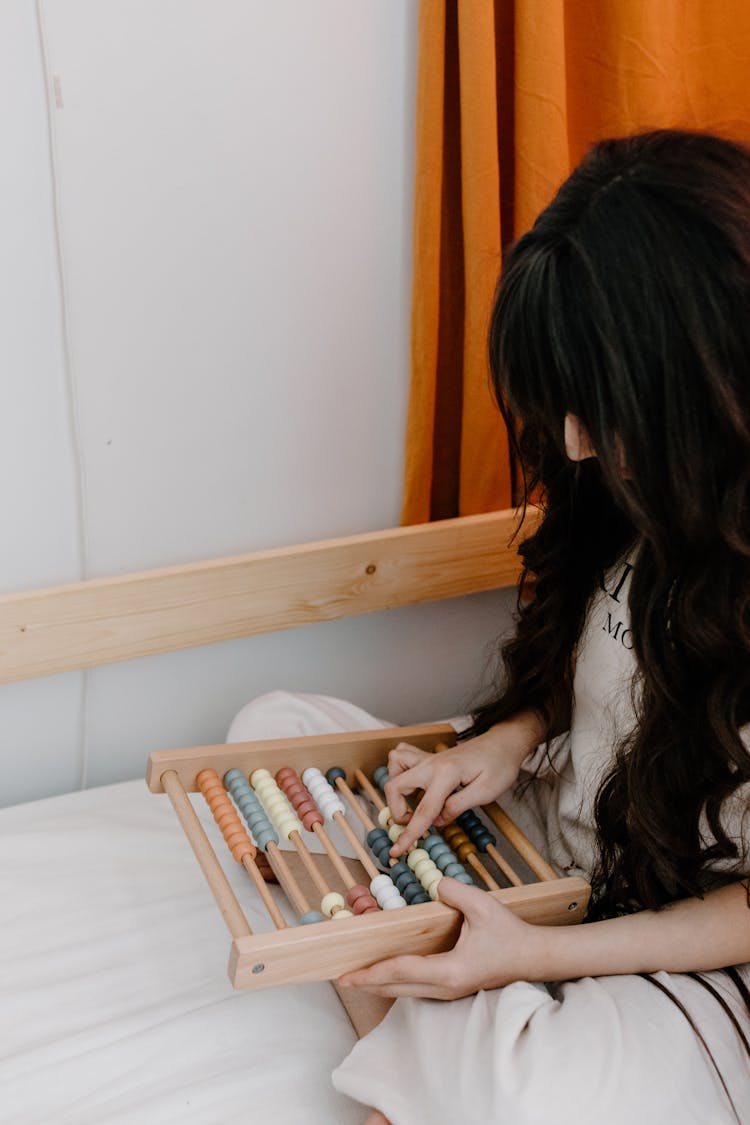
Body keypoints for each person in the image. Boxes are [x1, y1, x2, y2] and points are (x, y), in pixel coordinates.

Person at [230, 130, 750, 1123]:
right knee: (274, 722)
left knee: (521, 1099)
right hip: (562, 852)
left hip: (690, 945)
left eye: (603, 407)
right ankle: (435, 1004)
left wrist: (544, 955)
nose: (574, 444)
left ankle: (434, 1010)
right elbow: (597, 670)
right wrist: (508, 743)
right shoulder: (640, 497)